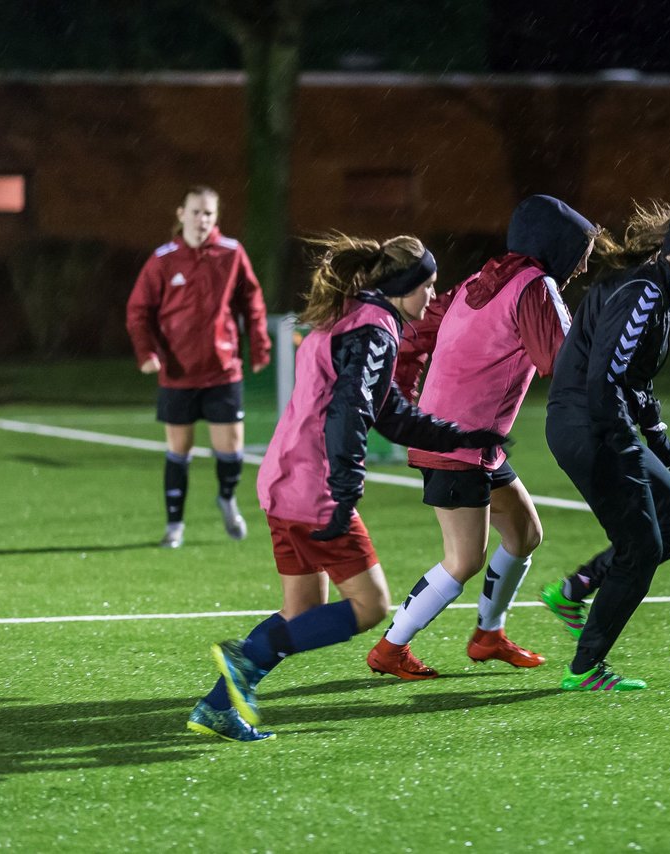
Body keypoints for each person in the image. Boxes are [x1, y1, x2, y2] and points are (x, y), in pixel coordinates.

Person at [187, 233, 505, 742]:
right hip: (314, 488)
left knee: (302, 612)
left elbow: (391, 415)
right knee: (370, 606)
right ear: (404, 285)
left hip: (281, 480)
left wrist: (461, 436)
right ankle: (245, 657)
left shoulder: (354, 315)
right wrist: (347, 484)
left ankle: (217, 707)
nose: (432, 296)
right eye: (428, 285)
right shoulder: (376, 331)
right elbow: (350, 411)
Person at [366, 195, 598, 680]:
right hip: (458, 446)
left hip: (473, 442)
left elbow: (416, 336)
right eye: (582, 253)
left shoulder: (482, 278)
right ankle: (390, 648)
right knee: (463, 560)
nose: (582, 266)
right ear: (557, 247)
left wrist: (404, 397)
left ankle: (488, 635)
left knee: (525, 533)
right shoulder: (536, 286)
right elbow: (564, 361)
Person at [539, 202, 670, 691]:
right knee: (642, 549)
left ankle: (575, 589)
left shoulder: (657, 292)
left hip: (600, 424)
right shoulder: (643, 291)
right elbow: (605, 380)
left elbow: (632, 378)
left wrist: (656, 434)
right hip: (588, 427)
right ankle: (584, 669)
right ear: (669, 252)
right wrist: (625, 446)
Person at [125, 185, 271, 549]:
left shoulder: (232, 253)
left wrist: (259, 344)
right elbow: (138, 310)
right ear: (181, 214)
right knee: (180, 450)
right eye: (196, 212)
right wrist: (147, 352)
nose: (202, 219)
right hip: (178, 372)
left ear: (216, 217)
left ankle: (226, 497)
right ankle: (174, 526)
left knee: (231, 449)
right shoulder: (163, 259)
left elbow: (252, 302)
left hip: (223, 369)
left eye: (209, 213)